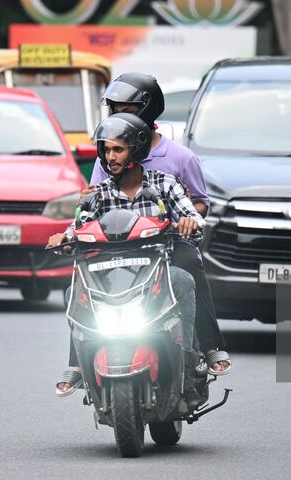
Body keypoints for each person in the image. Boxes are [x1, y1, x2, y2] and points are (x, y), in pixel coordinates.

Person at [48, 113, 203, 395]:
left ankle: (188, 360)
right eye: (107, 150)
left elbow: (193, 216)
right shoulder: (98, 194)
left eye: (118, 149)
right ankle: (79, 365)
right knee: (73, 291)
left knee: (183, 280)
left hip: (155, 275)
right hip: (109, 277)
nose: (111, 157)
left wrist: (190, 222)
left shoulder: (165, 184)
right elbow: (78, 226)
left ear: (136, 149)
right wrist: (64, 237)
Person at [88, 72, 231, 375]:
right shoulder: (108, 156)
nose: (121, 116)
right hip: (119, 246)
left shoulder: (180, 158)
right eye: (116, 110)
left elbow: (199, 204)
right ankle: (81, 361)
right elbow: (95, 203)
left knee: (188, 269)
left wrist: (185, 221)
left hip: (168, 243)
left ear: (148, 109)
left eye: (128, 110)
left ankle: (207, 346)